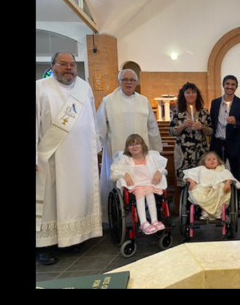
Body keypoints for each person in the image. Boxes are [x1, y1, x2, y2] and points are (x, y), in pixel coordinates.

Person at [36, 51, 103, 265]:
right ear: (52, 66)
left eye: (72, 64)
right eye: (63, 64)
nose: (69, 68)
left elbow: (92, 118)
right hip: (49, 156)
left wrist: (95, 147)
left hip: (80, 155)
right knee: (49, 202)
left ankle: (73, 238)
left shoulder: (84, 88)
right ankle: (44, 246)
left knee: (74, 197)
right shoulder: (40, 88)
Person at [96, 69, 163, 223]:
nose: (128, 82)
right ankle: (115, 216)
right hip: (116, 150)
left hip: (141, 154)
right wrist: (95, 147)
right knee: (118, 180)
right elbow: (99, 126)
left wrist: (155, 150)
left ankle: (143, 215)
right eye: (124, 79)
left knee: (141, 181)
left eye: (132, 80)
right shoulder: (108, 101)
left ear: (136, 82)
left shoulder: (143, 101)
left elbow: (152, 126)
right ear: (118, 81)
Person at [109, 134, 168, 235]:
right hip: (135, 186)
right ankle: (143, 222)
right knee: (140, 193)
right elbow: (113, 175)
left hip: (149, 184)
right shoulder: (124, 159)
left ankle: (154, 220)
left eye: (137, 144)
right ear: (127, 148)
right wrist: (124, 173)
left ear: (142, 145)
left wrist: (159, 171)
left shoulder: (150, 157)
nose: (134, 146)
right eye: (131, 145)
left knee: (149, 193)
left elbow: (164, 170)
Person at [210, 75, 240, 217]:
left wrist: (236, 122)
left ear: (236, 86)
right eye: (227, 84)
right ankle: (217, 205)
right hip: (217, 144)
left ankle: (236, 205)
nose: (230, 87)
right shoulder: (215, 103)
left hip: (234, 144)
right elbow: (211, 123)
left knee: (235, 175)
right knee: (217, 175)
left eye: (233, 84)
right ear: (223, 85)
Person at [169, 82, 213, 187]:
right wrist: (183, 125)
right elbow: (171, 131)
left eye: (193, 92)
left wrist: (202, 127)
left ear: (197, 94)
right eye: (188, 92)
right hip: (184, 153)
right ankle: (184, 203)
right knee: (184, 182)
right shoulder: (178, 112)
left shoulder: (204, 112)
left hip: (200, 151)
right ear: (183, 95)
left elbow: (211, 131)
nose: (191, 95)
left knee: (201, 183)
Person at [183, 151, 240, 219]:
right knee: (198, 190)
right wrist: (192, 182)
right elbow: (188, 175)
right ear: (204, 162)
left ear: (218, 161)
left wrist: (227, 184)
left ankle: (218, 211)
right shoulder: (201, 169)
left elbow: (229, 177)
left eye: (214, 159)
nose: (212, 161)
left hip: (217, 189)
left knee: (221, 188)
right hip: (204, 188)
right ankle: (204, 211)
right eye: (209, 159)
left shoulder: (222, 169)